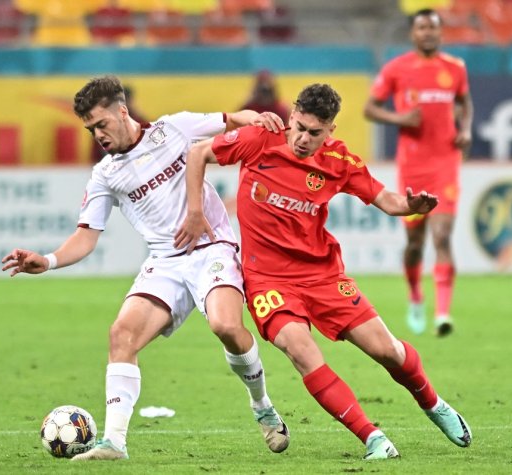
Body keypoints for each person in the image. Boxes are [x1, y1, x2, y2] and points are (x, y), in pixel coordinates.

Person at [175, 83, 472, 460]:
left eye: (314, 133)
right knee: (301, 351)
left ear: (330, 130)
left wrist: (410, 204)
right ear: (292, 115)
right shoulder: (259, 140)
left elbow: (388, 200)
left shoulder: (340, 161)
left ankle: (433, 404)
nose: (302, 138)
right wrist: (196, 212)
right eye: (298, 126)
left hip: (323, 276)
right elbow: (198, 152)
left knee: (389, 351)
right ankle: (372, 438)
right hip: (268, 281)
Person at [1, 75, 290, 461]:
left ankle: (262, 407)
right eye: (90, 129)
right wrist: (49, 260)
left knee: (226, 327)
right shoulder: (105, 174)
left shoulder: (175, 128)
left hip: (212, 248)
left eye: (101, 124)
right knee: (121, 334)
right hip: (165, 262)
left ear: (122, 111)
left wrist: (263, 118)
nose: (97, 135)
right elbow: (86, 237)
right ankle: (114, 443)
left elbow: (237, 119)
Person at [363, 8, 474, 337]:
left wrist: (465, 128)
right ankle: (415, 297)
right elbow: (369, 108)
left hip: (445, 163)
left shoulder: (455, 68)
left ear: (441, 33)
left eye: (434, 28)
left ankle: (442, 313)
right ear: (413, 34)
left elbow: (465, 103)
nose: (428, 33)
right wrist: (399, 120)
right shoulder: (397, 69)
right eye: (422, 27)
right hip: (412, 166)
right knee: (414, 243)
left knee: (442, 236)